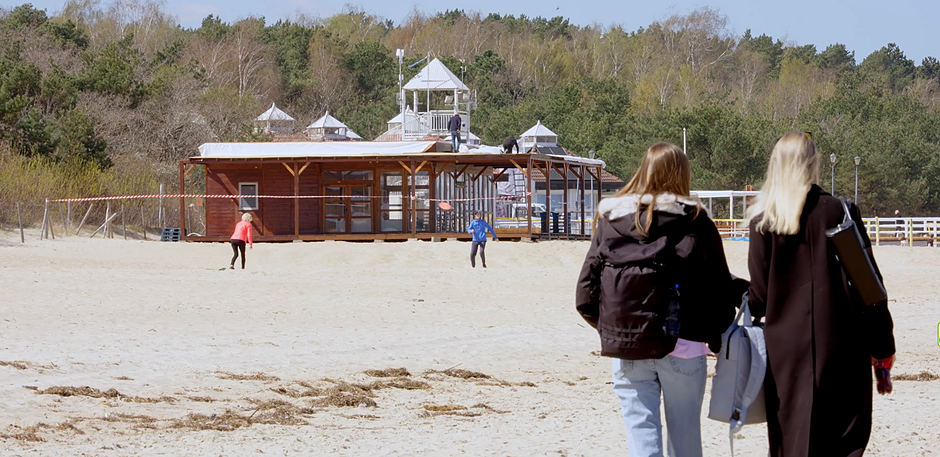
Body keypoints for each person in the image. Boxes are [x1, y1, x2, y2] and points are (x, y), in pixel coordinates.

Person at [575, 142, 740, 457]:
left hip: (627, 344)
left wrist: (613, 328)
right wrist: (719, 340)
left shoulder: (611, 220)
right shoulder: (695, 221)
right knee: (685, 438)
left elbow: (585, 292)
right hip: (685, 344)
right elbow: (718, 286)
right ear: (683, 175)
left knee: (642, 438)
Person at [746, 132, 896, 457]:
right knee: (843, 441)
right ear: (813, 163)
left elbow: (759, 298)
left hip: (785, 351)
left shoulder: (763, 221)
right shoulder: (840, 211)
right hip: (842, 344)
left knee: (792, 441)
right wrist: (883, 347)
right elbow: (870, 288)